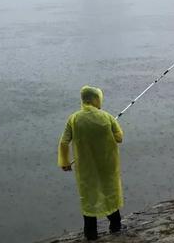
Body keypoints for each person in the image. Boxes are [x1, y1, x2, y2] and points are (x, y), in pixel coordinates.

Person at [58, 85, 124, 241]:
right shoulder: (107, 117)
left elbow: (64, 142)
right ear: (96, 99)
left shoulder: (74, 119)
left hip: (86, 168)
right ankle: (115, 228)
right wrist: (112, 128)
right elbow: (119, 138)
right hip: (107, 166)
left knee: (89, 198)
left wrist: (65, 162)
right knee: (110, 194)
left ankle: (91, 234)